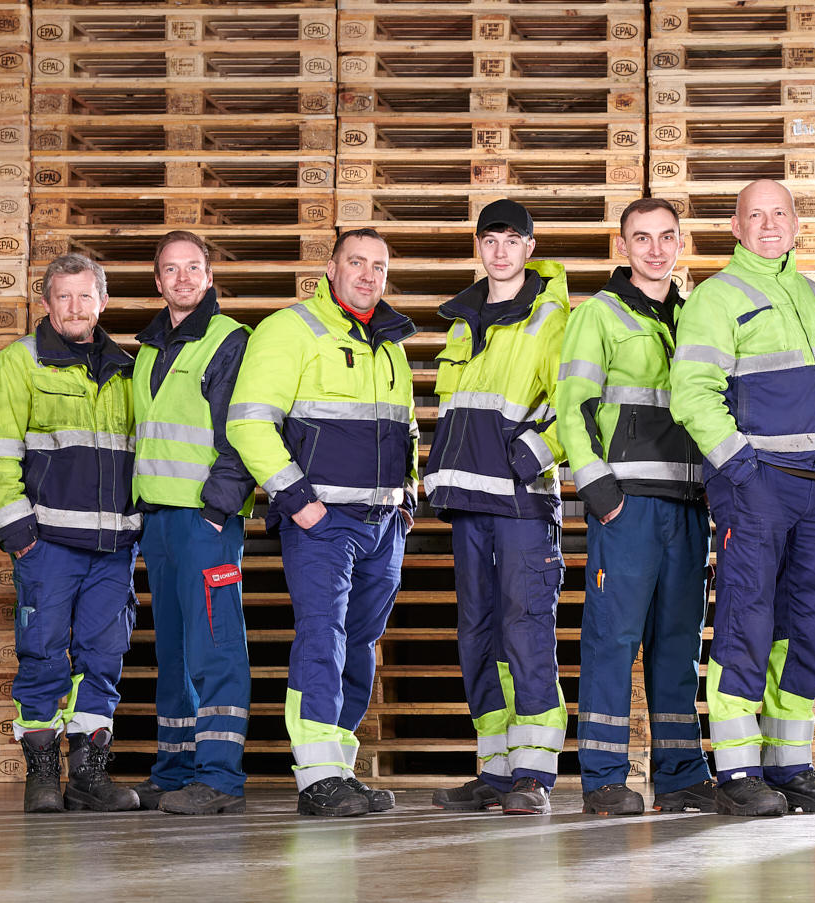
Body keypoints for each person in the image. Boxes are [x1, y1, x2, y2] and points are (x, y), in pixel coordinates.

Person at [670, 180, 815, 818]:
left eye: (779, 213)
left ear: (796, 223)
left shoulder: (810, 295)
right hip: (759, 484)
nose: (769, 224)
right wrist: (743, 468)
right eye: (756, 215)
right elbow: (693, 393)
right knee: (746, 621)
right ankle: (738, 768)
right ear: (736, 227)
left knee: (804, 625)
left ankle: (789, 765)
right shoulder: (716, 297)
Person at [226, 229, 417, 818]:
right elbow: (249, 423)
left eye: (378, 266)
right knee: (322, 637)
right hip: (323, 523)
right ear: (330, 269)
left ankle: (339, 767)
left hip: (383, 523)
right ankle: (314, 777)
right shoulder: (291, 328)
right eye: (355, 262)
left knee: (358, 643)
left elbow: (405, 427)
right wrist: (300, 501)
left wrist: (405, 502)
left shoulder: (390, 343)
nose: (367, 274)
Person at [553, 200, 720, 817]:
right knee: (613, 640)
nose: (655, 250)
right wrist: (600, 493)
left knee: (678, 644)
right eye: (642, 238)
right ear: (623, 246)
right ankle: (603, 778)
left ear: (682, 243)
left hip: (687, 505)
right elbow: (572, 406)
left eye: (667, 237)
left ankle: (680, 776)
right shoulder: (599, 314)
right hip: (627, 507)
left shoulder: (695, 317)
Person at [420, 200, 572, 816]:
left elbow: (577, 401)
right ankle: (495, 768)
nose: (501, 250)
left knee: (526, 631)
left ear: (530, 249)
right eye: (491, 239)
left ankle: (533, 774)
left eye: (513, 240)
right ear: (478, 247)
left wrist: (527, 458)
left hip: (520, 506)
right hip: (467, 504)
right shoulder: (462, 321)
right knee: (478, 635)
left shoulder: (553, 318)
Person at [0, 254, 142, 814]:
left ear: (102, 302)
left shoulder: (126, 367)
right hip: (46, 543)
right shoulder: (19, 363)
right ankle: (43, 773)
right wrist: (18, 532)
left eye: (85, 296)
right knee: (43, 654)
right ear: (45, 304)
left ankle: (88, 775)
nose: (75, 308)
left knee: (104, 656)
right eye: (63, 297)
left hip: (113, 547)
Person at [130, 231, 256, 817]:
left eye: (193, 268)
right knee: (175, 653)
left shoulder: (229, 342)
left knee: (216, 647)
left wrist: (216, 509)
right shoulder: (150, 350)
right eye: (170, 270)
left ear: (209, 278)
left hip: (205, 523)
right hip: (159, 521)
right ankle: (175, 769)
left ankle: (219, 776)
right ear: (158, 282)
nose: (182, 279)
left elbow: (245, 430)